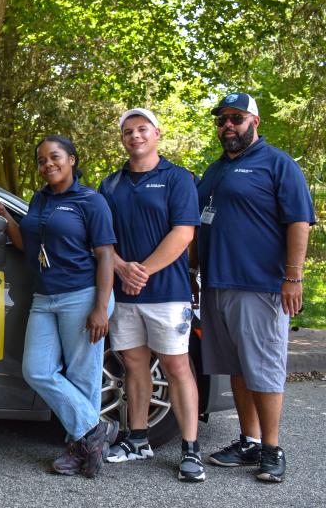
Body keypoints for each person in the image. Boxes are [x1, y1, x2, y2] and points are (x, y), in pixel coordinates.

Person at [191, 92, 315, 483]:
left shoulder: (278, 164)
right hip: (216, 284)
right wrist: (193, 272)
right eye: (221, 119)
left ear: (254, 122)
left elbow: (298, 222)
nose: (227, 125)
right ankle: (248, 440)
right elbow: (199, 225)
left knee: (263, 369)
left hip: (259, 285)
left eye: (236, 118)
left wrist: (293, 277)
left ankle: (272, 449)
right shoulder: (214, 170)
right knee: (237, 369)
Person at [0, 135, 118, 478]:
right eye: (42, 160)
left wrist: (101, 307)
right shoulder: (40, 199)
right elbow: (28, 245)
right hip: (45, 297)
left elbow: (105, 256)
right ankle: (93, 430)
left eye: (55, 157)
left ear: (72, 159)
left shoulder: (91, 201)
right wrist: (5, 215)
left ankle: (79, 452)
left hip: (82, 294)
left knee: (81, 375)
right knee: (37, 369)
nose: (48, 165)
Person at [98, 108, 204, 482]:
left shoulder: (178, 179)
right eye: (128, 131)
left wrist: (142, 270)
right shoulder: (109, 185)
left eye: (143, 129)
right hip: (124, 294)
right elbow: (100, 237)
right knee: (134, 366)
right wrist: (122, 267)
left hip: (167, 293)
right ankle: (137, 438)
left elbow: (183, 234)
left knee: (177, 368)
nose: (135, 136)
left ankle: (191, 450)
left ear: (157, 133)